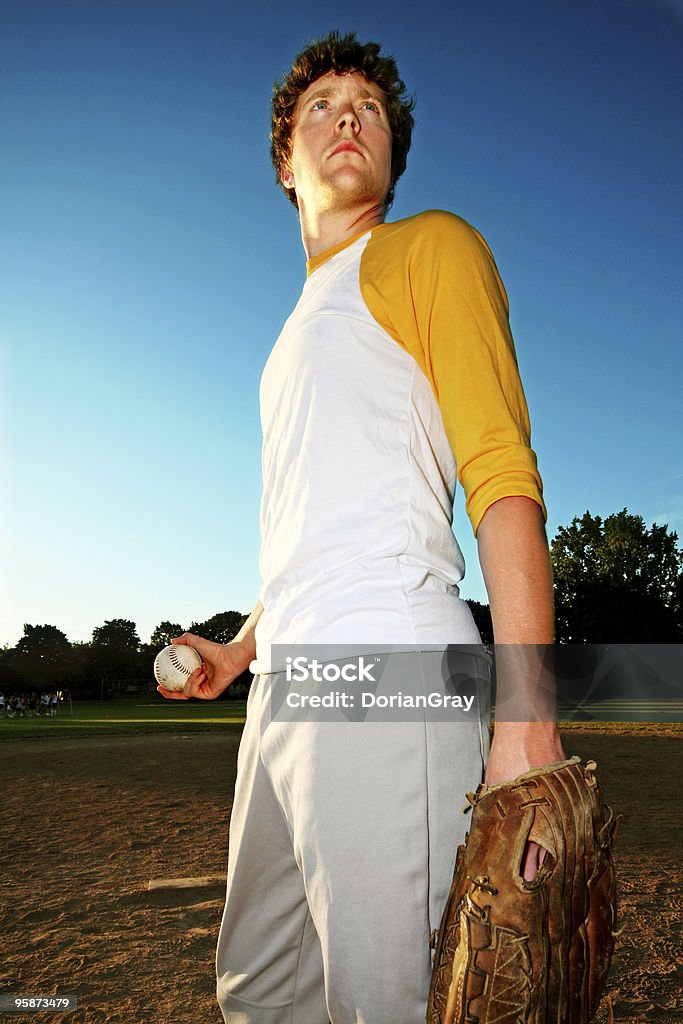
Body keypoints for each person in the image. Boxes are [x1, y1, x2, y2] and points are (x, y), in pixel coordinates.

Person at [158, 31, 565, 1024]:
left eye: (370, 108)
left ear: (389, 151)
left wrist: (526, 718)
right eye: (321, 108)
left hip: (389, 666)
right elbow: (309, 521)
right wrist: (241, 647)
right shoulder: (291, 336)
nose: (348, 117)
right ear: (284, 168)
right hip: (284, 689)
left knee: (380, 1003)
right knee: (259, 988)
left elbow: (501, 475)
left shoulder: (428, 248)